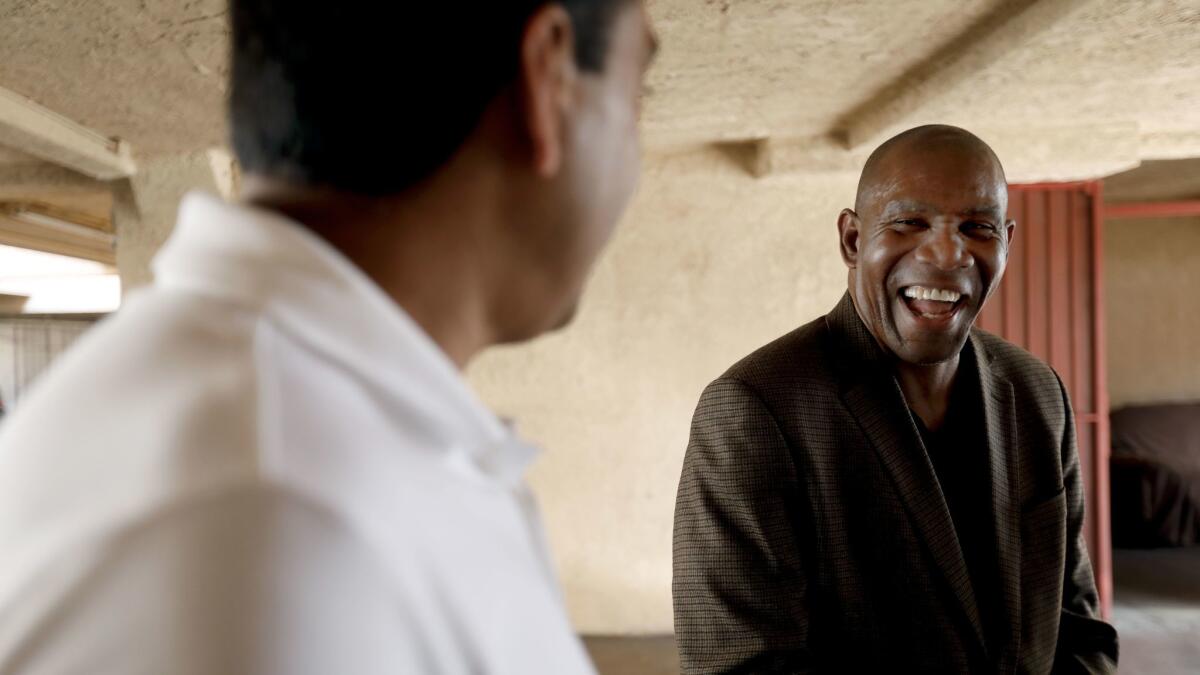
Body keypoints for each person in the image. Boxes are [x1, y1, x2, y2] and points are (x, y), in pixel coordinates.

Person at [0, 2, 656, 673]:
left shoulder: (273, 442)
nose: (634, 160)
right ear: (547, 79)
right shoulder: (283, 523)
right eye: (639, 93)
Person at [673, 125, 1119, 674]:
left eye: (977, 227)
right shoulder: (754, 410)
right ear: (853, 241)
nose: (948, 253)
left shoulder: (1037, 392)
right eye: (910, 222)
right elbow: (742, 666)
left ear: (1006, 242)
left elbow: (1077, 625)